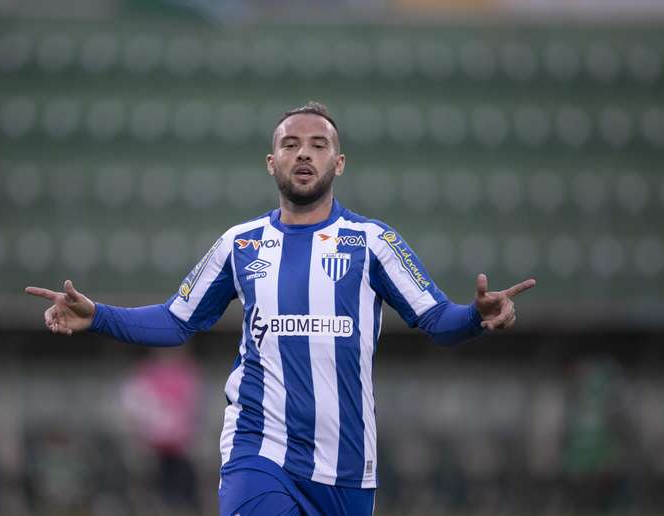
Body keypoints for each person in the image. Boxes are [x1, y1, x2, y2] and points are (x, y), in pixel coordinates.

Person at [26, 101, 536, 516]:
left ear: (339, 163)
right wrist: (99, 316)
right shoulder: (240, 244)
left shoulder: (372, 242)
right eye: (290, 145)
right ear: (273, 163)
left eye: (319, 145)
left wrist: (476, 317)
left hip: (347, 465)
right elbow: (175, 321)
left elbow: (437, 320)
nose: (304, 154)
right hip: (258, 448)